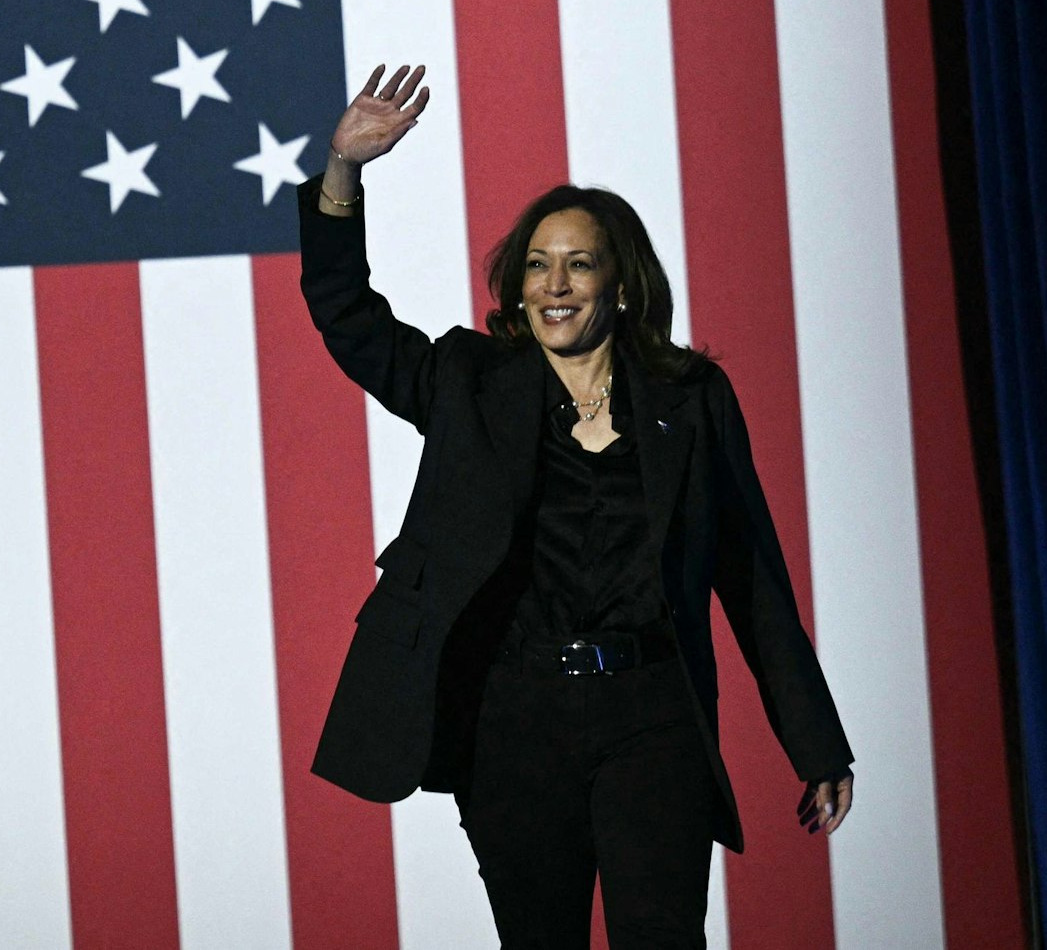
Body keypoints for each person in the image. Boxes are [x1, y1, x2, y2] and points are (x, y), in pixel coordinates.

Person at [300, 63, 855, 948]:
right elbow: (347, 315)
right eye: (537, 266)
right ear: (517, 287)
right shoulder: (468, 382)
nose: (555, 285)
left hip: (654, 719)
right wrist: (342, 173)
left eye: (579, 265)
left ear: (620, 284)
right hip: (514, 723)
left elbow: (750, 577)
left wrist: (817, 741)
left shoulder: (694, 398)